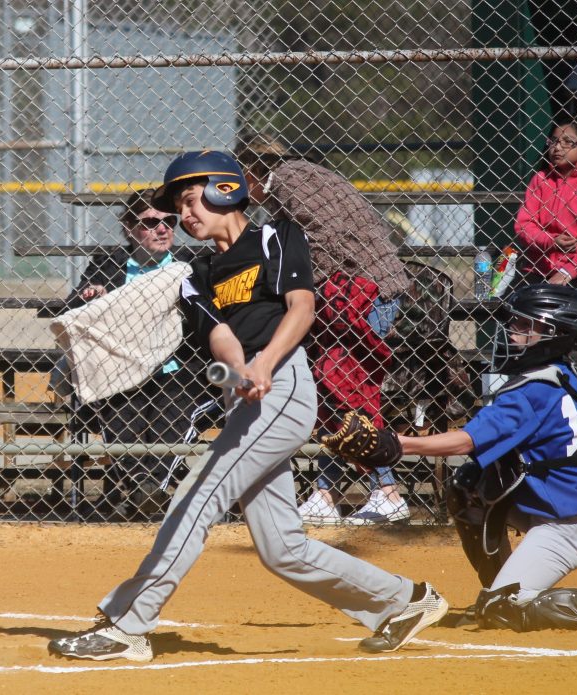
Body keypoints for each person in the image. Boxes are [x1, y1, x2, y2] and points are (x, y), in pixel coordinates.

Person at [47, 150, 448, 662]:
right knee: (282, 547)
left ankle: (129, 624)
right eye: (180, 206)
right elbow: (220, 335)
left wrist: (266, 364)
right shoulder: (197, 271)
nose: (186, 214)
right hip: (247, 394)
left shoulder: (276, 238)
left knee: (197, 496)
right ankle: (402, 601)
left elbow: (301, 308)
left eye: (193, 200)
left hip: (282, 385)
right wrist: (241, 369)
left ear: (227, 189)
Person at [329, 283, 577, 630]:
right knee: (469, 487)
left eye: (523, 326)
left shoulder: (533, 390)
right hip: (553, 506)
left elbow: (464, 442)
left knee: (503, 611)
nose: (510, 332)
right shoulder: (559, 372)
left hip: (572, 524)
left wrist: (397, 444)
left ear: (552, 333)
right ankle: (500, 588)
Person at [234, 133, 410, 525]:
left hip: (365, 290)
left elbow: (327, 238)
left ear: (252, 171)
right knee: (334, 388)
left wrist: (289, 277)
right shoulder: (292, 186)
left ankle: (387, 491)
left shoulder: (291, 179)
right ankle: (326, 495)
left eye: (237, 179)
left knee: (352, 388)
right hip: (350, 293)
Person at [59, 189, 219, 521]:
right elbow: (75, 308)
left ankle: (149, 489)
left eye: (168, 222)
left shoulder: (187, 267)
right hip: (122, 367)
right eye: (150, 222)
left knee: (171, 414)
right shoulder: (110, 263)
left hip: (176, 367)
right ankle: (142, 488)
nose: (162, 230)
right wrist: (95, 297)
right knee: (122, 416)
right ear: (130, 227)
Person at [513, 120, 577, 292]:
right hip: (538, 269)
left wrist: (568, 270)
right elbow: (524, 225)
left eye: (568, 142)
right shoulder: (540, 179)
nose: (557, 147)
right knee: (517, 303)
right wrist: (550, 241)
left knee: (559, 305)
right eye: (553, 141)